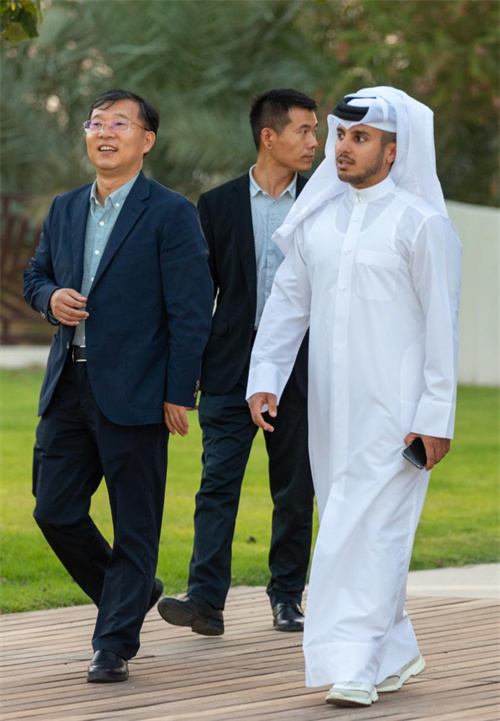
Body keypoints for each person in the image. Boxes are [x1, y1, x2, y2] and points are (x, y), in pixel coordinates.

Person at [247, 87, 461, 707]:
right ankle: (393, 648)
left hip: (398, 414)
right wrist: (266, 376)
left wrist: (435, 415)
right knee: (353, 523)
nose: (342, 147)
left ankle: (353, 665)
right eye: (341, 135)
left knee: (366, 532)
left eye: (360, 138)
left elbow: (442, 328)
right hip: (330, 412)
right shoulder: (318, 221)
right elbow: (288, 303)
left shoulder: (422, 224)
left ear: (393, 151)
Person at [23, 88, 213, 683]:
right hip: (67, 386)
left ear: (146, 139)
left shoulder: (171, 212)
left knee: (135, 523)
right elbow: (35, 275)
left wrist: (179, 392)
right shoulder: (64, 209)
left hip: (138, 390)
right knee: (54, 510)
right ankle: (131, 592)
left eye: (120, 124)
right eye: (96, 123)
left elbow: (190, 311)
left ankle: (113, 644)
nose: (105, 133)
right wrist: (50, 298)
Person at [157, 88, 317, 635]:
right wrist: (184, 377)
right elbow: (198, 296)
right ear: (269, 137)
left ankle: (287, 596)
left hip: (299, 368)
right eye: (304, 130)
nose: (314, 143)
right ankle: (205, 600)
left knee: (294, 488)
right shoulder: (217, 204)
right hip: (230, 366)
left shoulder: (322, 203)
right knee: (217, 483)